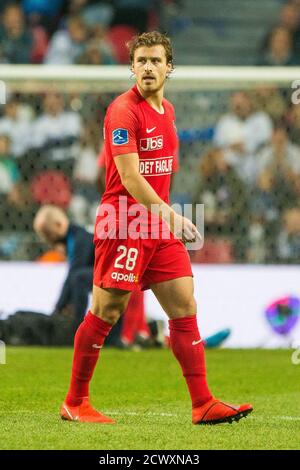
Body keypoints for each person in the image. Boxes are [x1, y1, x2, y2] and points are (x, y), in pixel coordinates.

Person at [60, 31, 253, 425]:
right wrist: (172, 215)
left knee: (184, 304)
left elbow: (161, 174)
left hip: (156, 224)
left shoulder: (170, 112)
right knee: (106, 310)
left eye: (156, 61)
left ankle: (202, 404)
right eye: (141, 61)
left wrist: (164, 218)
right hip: (123, 222)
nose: (148, 67)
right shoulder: (122, 111)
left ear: (169, 67)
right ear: (132, 68)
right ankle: (75, 402)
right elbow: (130, 177)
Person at [33, 205, 94, 330]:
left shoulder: (80, 239)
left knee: (78, 278)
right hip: (97, 273)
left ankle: (78, 326)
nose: (49, 240)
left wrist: (58, 308)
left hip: (110, 274)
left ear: (58, 224)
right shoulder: (73, 238)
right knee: (77, 277)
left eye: (48, 234)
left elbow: (73, 274)